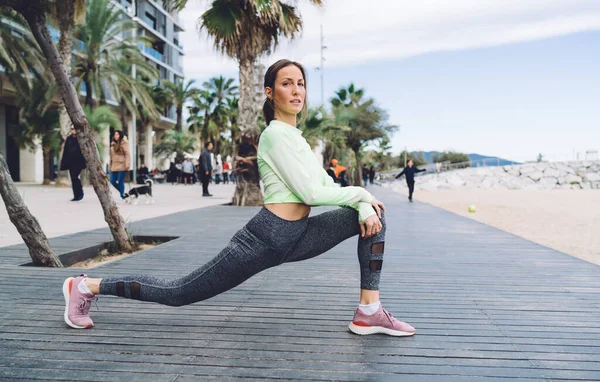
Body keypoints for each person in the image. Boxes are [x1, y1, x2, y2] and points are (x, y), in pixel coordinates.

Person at [62, 59, 415, 338]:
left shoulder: (297, 137)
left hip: (297, 236)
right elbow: (312, 193)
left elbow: (324, 183)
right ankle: (87, 286)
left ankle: (369, 312)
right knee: (180, 291)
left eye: (301, 83)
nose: (297, 90)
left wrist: (364, 203)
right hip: (265, 238)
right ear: (269, 92)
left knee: (374, 218)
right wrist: (363, 193)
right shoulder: (275, 136)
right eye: (287, 83)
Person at [60, 125, 86, 201]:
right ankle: (76, 195)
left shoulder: (81, 138)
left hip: (79, 162)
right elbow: (66, 151)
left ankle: (80, 193)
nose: (73, 130)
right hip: (71, 162)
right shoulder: (69, 139)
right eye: (72, 129)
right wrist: (64, 163)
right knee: (73, 179)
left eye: (74, 128)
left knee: (75, 177)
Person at [109, 130, 130, 200]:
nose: (116, 136)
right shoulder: (112, 144)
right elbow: (111, 156)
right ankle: (123, 193)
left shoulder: (124, 143)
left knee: (120, 180)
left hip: (122, 165)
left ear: (120, 135)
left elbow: (127, 154)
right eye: (115, 134)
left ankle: (122, 196)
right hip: (114, 165)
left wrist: (127, 164)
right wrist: (110, 165)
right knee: (112, 181)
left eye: (117, 134)